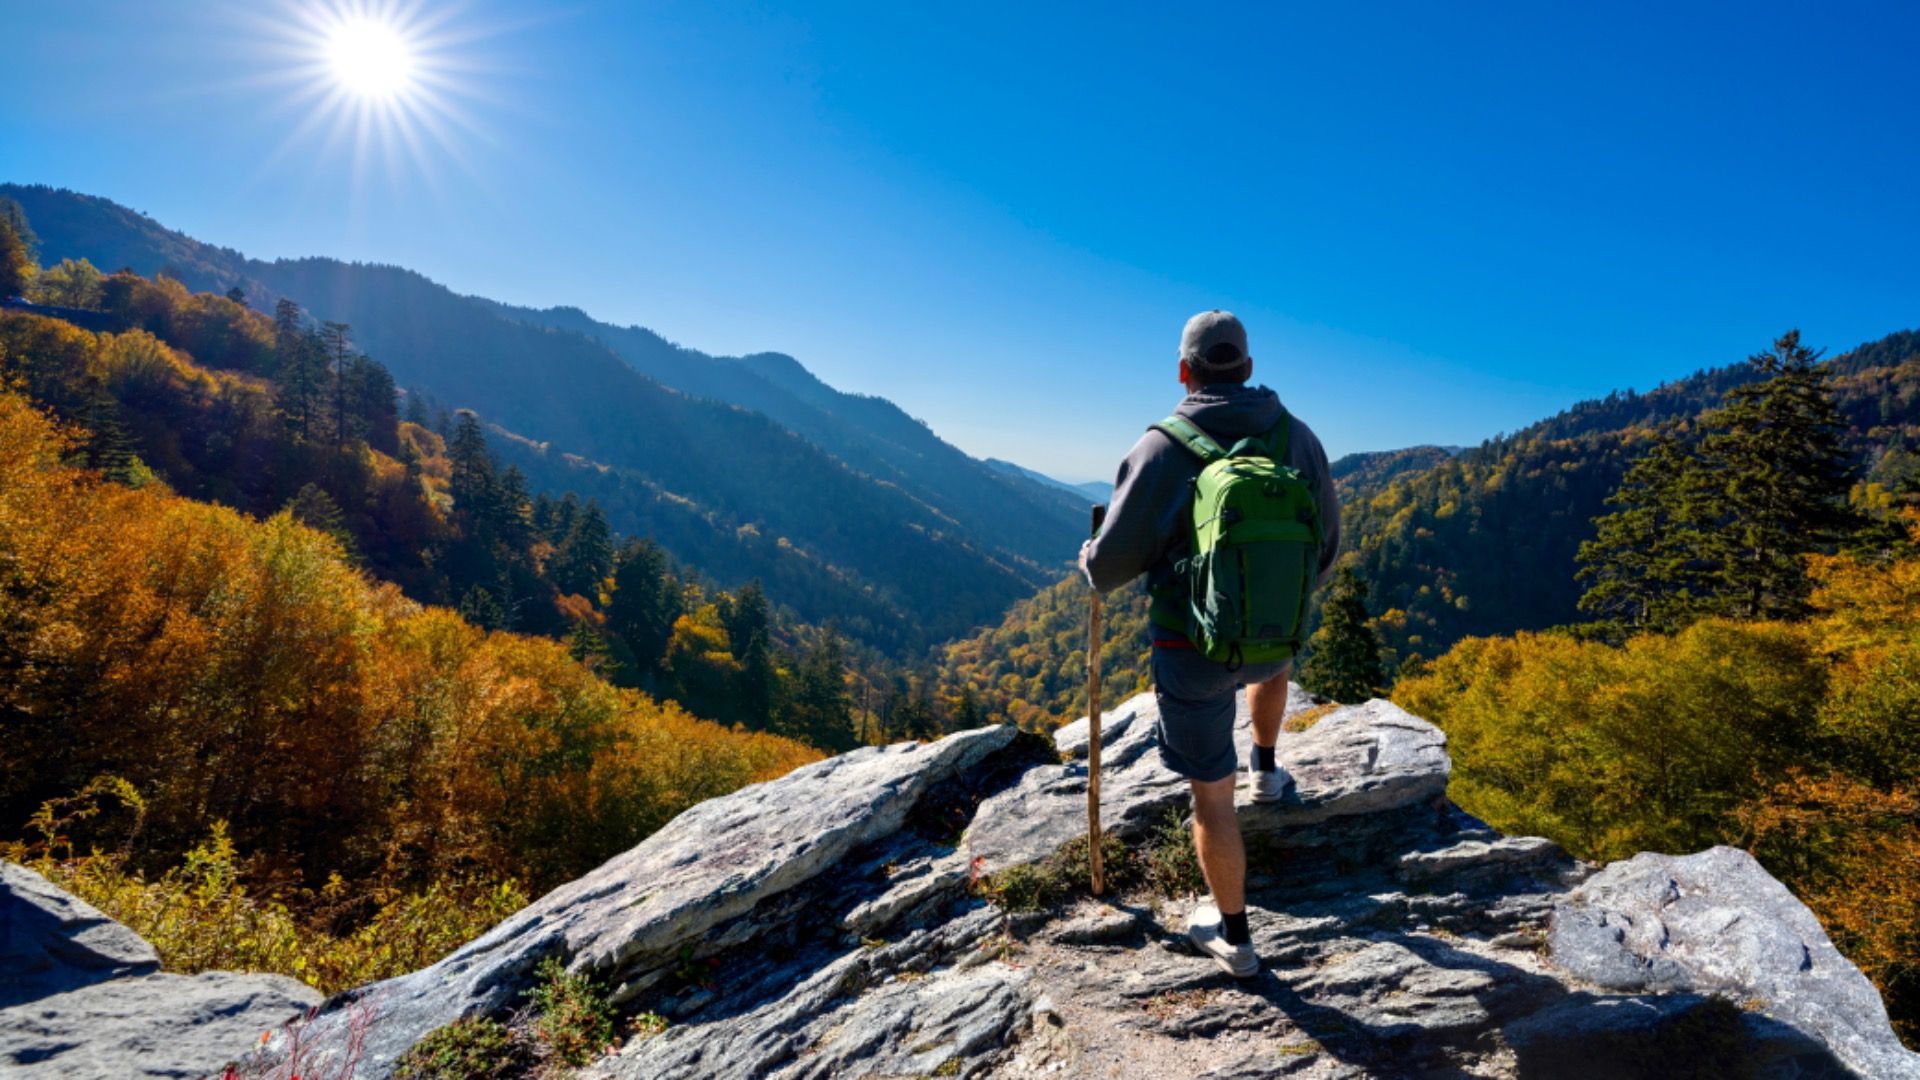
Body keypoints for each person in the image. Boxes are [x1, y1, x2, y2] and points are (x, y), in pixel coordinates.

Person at [1079, 309, 1340, 978]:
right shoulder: (1298, 439)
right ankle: (1268, 768)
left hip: (1190, 650)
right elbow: (1326, 549)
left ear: (1184, 370)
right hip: (1275, 639)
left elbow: (1109, 570)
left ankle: (1236, 939)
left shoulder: (1161, 449)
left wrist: (1089, 555)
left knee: (1209, 802)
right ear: (1249, 368)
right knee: (1269, 667)